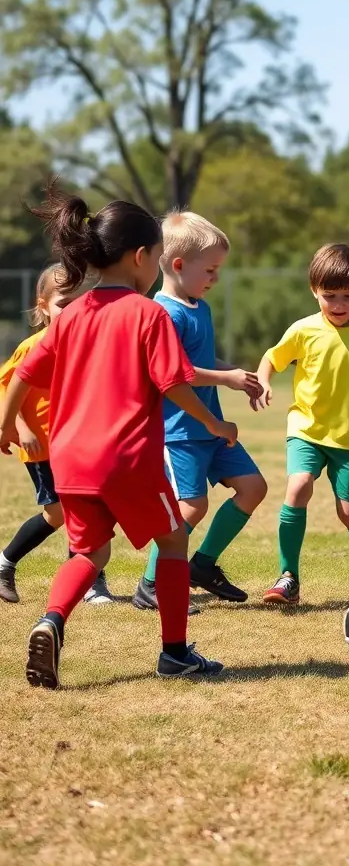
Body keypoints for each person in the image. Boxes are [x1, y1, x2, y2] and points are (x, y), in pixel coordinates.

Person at [0, 182, 232, 688]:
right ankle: (174, 653)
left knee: (89, 553)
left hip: (71, 461)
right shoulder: (148, 313)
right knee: (173, 542)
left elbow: (21, 372)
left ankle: (51, 620)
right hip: (125, 460)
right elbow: (172, 383)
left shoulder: (71, 316)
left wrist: (4, 424)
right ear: (142, 258)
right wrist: (215, 424)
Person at [131, 212, 266, 611]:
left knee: (253, 488)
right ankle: (150, 584)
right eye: (210, 269)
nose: (215, 278)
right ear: (177, 265)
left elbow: (200, 359)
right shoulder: (164, 314)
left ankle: (202, 565)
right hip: (180, 432)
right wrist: (225, 380)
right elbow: (175, 375)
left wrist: (237, 373)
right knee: (191, 506)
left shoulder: (198, 306)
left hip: (211, 429)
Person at [257, 243, 349, 605]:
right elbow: (272, 357)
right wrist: (265, 379)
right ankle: (288, 577)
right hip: (306, 430)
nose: (338, 304)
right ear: (313, 290)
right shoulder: (303, 330)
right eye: (328, 296)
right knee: (298, 486)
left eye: (348, 295)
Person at [0, 264, 114, 605]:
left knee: (89, 509)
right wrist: (21, 427)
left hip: (79, 446)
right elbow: (7, 389)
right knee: (59, 514)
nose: (72, 311)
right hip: (43, 446)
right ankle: (5, 563)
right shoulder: (33, 345)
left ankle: (92, 581)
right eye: (64, 303)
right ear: (43, 305)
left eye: (81, 302)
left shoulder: (88, 345)